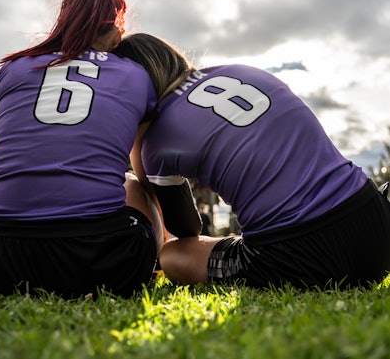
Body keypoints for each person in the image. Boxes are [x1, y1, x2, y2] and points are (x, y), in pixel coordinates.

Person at [112, 33, 390, 289]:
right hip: (373, 223)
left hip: (302, 254)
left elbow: (187, 230)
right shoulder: (239, 71)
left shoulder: (158, 140)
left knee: (172, 255)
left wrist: (139, 142)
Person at [0, 0, 164, 298]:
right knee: (133, 181)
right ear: (116, 29)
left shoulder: (11, 69)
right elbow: (150, 176)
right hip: (104, 262)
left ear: (64, 17)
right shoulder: (137, 77)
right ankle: (157, 264)